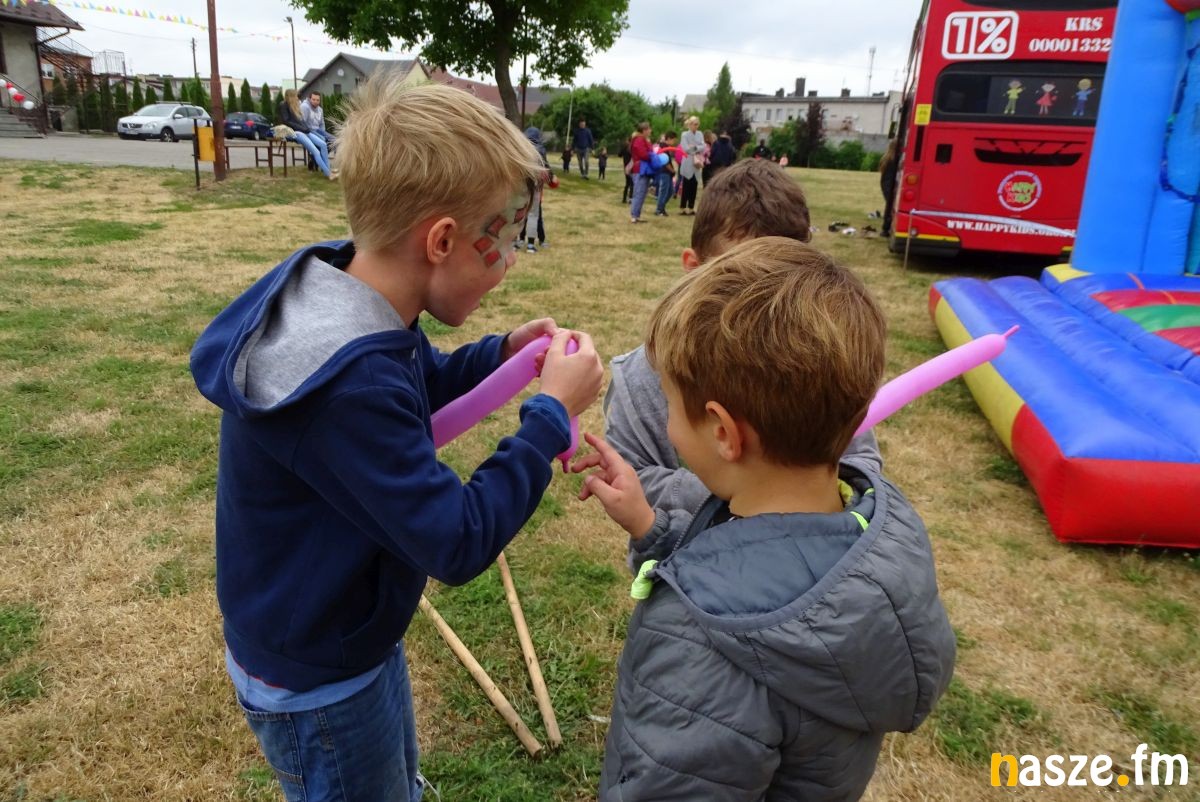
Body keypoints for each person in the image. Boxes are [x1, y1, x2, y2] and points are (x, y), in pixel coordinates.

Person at [189, 78, 604, 802]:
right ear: (440, 241)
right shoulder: (348, 385)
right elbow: (456, 539)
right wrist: (548, 420)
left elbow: (417, 378)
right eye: (503, 243)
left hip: (345, 633)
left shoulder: (353, 291)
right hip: (319, 679)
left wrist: (501, 354)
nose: (507, 264)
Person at [573, 236, 956, 801]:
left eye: (671, 403)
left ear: (723, 433)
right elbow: (763, 558)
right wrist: (650, 524)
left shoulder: (701, 642)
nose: (669, 421)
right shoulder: (877, 536)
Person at [605, 157, 872, 547]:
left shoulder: (827, 364)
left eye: (784, 289)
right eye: (735, 285)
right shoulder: (640, 378)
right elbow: (631, 475)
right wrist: (752, 491)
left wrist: (762, 492)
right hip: (675, 562)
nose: (759, 315)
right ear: (694, 268)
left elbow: (861, 465)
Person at [277, 88, 333, 179]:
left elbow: (300, 121)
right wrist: (303, 129)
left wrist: (306, 129)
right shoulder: (283, 105)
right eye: (295, 96)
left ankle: (327, 169)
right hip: (293, 132)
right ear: (291, 96)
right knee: (316, 152)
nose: (297, 98)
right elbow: (287, 122)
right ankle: (328, 174)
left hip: (302, 130)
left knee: (323, 144)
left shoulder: (295, 106)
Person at [521, 126, 554, 252]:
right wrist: (551, 178)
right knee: (533, 215)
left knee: (518, 213)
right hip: (535, 185)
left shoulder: (520, 148)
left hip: (520, 185)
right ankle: (530, 244)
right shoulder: (540, 150)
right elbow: (546, 167)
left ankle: (515, 242)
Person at [678, 116, 704, 215]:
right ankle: (683, 207)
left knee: (694, 185)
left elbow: (703, 146)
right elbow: (685, 149)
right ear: (690, 124)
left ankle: (691, 207)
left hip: (697, 162)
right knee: (686, 186)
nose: (696, 126)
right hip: (688, 161)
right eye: (694, 124)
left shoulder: (700, 134)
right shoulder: (684, 134)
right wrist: (696, 148)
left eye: (697, 124)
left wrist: (695, 147)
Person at [629, 122, 654, 223]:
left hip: (643, 169)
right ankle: (634, 215)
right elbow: (643, 154)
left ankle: (637, 215)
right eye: (649, 129)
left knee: (642, 193)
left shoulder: (643, 139)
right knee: (639, 192)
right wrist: (652, 156)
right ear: (644, 130)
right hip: (640, 169)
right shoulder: (639, 140)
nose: (650, 130)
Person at [653, 131, 678, 217]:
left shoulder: (666, 147)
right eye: (673, 140)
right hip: (664, 172)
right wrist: (672, 170)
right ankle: (659, 209)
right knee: (663, 191)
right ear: (669, 139)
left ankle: (662, 207)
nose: (674, 142)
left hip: (668, 173)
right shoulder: (663, 147)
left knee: (670, 191)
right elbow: (665, 162)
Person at [879, 138, 900, 238]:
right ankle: (885, 228)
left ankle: (886, 228)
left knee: (889, 206)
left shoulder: (887, 158)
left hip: (886, 184)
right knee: (890, 207)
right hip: (889, 186)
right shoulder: (893, 160)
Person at [619, 135, 634, 204]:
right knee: (632, 183)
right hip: (631, 166)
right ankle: (630, 198)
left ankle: (624, 198)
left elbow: (619, 154)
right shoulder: (632, 148)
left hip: (626, 167)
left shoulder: (625, 147)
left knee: (627, 183)